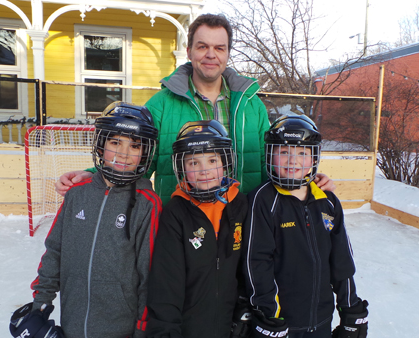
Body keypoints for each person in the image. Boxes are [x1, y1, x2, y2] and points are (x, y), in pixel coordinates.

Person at [54, 13, 335, 204]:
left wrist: (307, 180)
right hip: (181, 226)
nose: (210, 55)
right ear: (189, 51)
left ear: (227, 53)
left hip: (244, 222)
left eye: (219, 48)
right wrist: (93, 173)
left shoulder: (251, 105)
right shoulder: (161, 104)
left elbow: (270, 162)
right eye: (202, 46)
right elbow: (136, 158)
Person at [9, 102, 162, 338]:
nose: (123, 153)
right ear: (101, 146)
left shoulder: (147, 203)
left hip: (120, 328)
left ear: (145, 153)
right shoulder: (78, 193)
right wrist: (41, 302)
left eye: (134, 145)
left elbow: (148, 273)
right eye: (115, 142)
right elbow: (55, 250)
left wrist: (142, 328)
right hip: (73, 322)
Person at [243, 114, 368, 338]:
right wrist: (270, 315)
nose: (293, 161)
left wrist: (350, 307)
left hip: (321, 320)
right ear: (270, 155)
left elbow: (341, 259)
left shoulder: (327, 201)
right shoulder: (262, 201)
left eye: (302, 153)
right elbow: (257, 264)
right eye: (284, 152)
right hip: (282, 324)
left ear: (314, 158)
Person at [145, 120, 250, 338]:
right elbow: (166, 282)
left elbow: (249, 265)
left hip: (231, 325)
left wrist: (244, 309)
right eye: (194, 163)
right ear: (182, 167)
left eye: (212, 160)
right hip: (188, 328)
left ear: (225, 162)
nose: (204, 171)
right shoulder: (176, 212)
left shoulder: (240, 204)